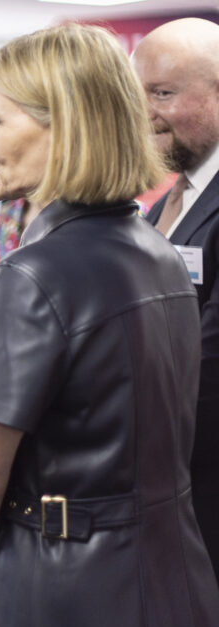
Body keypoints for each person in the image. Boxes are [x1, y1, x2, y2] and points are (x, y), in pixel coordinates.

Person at [0, 24, 219, 627]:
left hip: (63, 594)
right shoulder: (158, 253)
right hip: (172, 576)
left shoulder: (30, 276)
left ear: (65, 128)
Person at [133, 17, 219, 584]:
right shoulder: (167, 199)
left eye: (163, 93)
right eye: (140, 95)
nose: (146, 113)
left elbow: (206, 368)